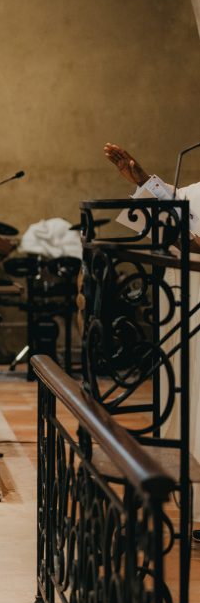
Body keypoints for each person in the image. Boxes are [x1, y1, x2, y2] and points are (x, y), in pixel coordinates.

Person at [105, 142, 200, 541]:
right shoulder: (195, 191)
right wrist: (143, 181)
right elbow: (181, 214)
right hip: (187, 314)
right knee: (192, 411)